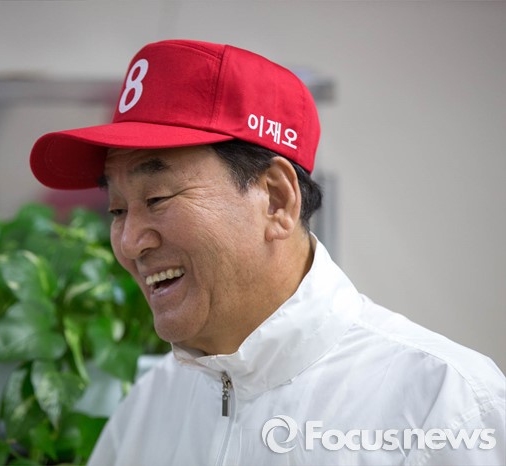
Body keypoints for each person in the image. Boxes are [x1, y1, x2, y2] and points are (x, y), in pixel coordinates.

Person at [29, 39, 505, 465]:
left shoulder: (442, 405)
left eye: (157, 199)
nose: (131, 242)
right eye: (116, 209)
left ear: (276, 200)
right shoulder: (150, 407)